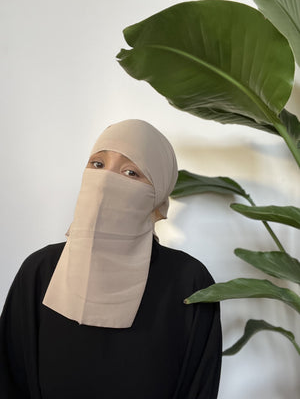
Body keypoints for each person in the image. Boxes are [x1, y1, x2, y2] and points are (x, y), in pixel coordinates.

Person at [0, 119, 222, 398]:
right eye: (97, 165)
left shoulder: (189, 283)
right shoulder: (40, 271)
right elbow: (9, 383)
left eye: (130, 172)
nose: (105, 181)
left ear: (158, 193)